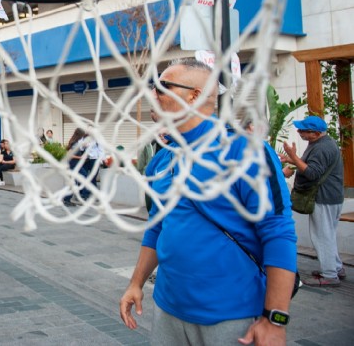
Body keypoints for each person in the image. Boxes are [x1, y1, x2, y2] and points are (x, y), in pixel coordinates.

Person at [118, 58, 297, 345]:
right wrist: (136, 283)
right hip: (167, 309)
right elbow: (157, 228)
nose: (154, 94)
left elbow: (279, 234)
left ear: (195, 95)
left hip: (230, 316)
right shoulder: (162, 160)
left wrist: (275, 319)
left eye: (163, 87)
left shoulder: (245, 151)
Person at [279, 115, 345, 286]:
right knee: (327, 234)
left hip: (323, 197)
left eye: (303, 130)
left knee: (322, 236)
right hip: (331, 196)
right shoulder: (321, 143)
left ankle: (330, 274)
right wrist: (292, 159)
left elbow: (312, 173)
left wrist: (294, 156)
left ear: (315, 133)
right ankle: (336, 268)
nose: (299, 132)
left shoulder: (322, 148)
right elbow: (312, 166)